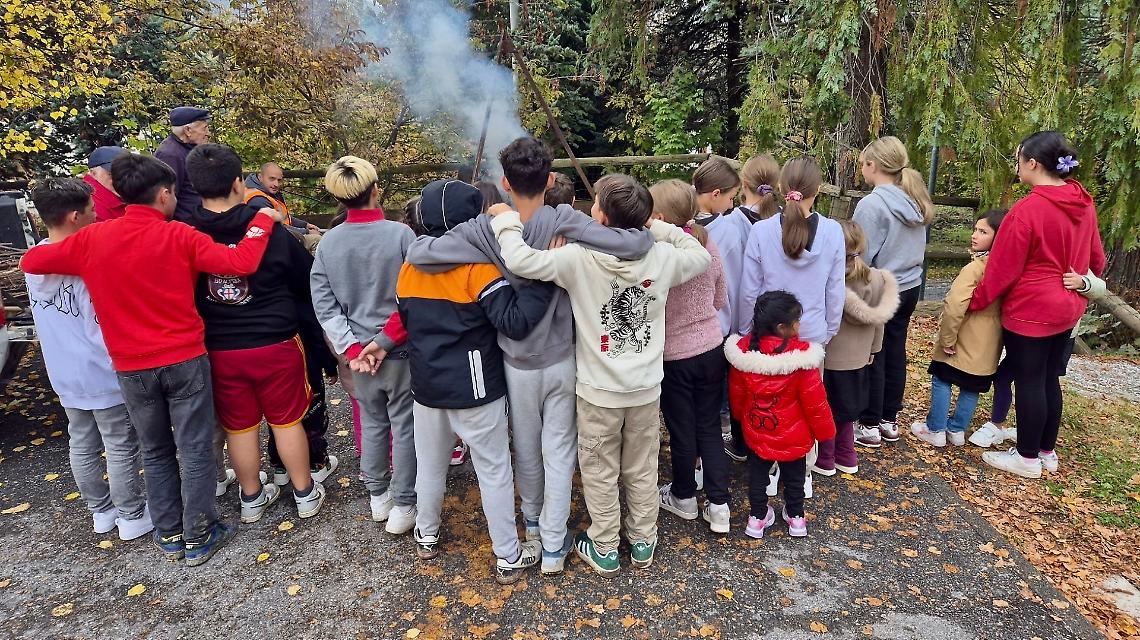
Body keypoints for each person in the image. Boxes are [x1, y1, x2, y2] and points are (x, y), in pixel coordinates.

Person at [402, 137, 654, 574]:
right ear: (551, 179)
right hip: (562, 359)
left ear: (503, 182)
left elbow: (419, 251)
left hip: (515, 363)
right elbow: (632, 244)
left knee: (527, 451)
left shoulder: (483, 229)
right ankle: (554, 548)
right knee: (560, 451)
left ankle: (534, 529)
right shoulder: (564, 219)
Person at [21, 153, 283, 566]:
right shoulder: (179, 235)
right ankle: (200, 533)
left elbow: (31, 260)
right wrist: (263, 219)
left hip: (130, 366)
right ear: (163, 194)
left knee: (155, 449)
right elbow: (240, 262)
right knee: (194, 448)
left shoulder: (93, 239)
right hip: (184, 359)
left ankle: (169, 532)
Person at [490, 173, 711, 577]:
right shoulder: (660, 257)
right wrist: (655, 226)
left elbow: (520, 260)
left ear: (603, 218)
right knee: (642, 466)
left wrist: (505, 220)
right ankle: (643, 539)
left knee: (599, 468)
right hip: (645, 388)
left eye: (594, 206)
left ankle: (605, 544)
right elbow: (700, 255)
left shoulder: (578, 258)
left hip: (598, 391)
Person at [393, 178, 556, 585]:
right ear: (476, 219)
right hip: (475, 387)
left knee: (430, 466)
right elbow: (514, 323)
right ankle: (507, 554)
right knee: (494, 470)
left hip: (426, 387)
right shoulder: (477, 268)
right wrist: (542, 275)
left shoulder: (408, 267)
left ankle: (425, 532)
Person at [184, 143, 329, 521]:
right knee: (287, 419)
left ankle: (251, 498)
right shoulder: (268, 231)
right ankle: (304, 492)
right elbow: (304, 278)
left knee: (239, 426)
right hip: (276, 341)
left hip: (219, 348)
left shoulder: (185, 236)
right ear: (238, 182)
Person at [969, 131, 1106, 479]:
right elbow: (1097, 259)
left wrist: (978, 299)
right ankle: (1046, 451)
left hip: (1032, 310)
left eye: (1018, 160)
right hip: (1068, 306)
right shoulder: (1083, 202)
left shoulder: (1028, 210)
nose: (1016, 167)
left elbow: (1003, 268)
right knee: (1048, 379)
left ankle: (1026, 457)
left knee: (1027, 380)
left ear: (1032, 163)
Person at [25, 178, 153, 540]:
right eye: (93, 212)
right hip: (99, 369)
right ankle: (130, 514)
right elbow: (98, 324)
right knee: (118, 442)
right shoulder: (84, 262)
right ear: (75, 216)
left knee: (81, 440)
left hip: (63, 369)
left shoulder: (35, 261)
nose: (98, 217)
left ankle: (100, 510)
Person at [310, 156, 419, 533]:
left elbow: (323, 303)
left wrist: (353, 351)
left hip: (358, 355)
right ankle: (405, 504)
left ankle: (378, 497)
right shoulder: (402, 235)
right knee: (404, 426)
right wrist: (384, 343)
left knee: (373, 423)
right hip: (399, 348)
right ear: (376, 190)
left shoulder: (329, 244)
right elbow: (414, 296)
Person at [649, 179, 731, 533]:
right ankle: (720, 506)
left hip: (675, 356)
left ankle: (684, 495)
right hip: (711, 348)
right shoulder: (707, 244)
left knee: (682, 429)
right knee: (710, 426)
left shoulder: (658, 253)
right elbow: (720, 299)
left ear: (660, 216)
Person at [725, 291, 835, 539]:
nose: (800, 325)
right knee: (795, 478)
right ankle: (796, 518)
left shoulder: (744, 356)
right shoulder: (802, 359)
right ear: (782, 327)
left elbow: (737, 392)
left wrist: (742, 418)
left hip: (757, 430)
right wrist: (825, 432)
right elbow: (815, 401)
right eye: (797, 321)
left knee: (757, 476)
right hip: (794, 435)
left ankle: (757, 518)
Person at [852, 136, 935, 448]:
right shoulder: (914, 200)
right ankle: (888, 419)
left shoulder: (872, 205)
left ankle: (870, 423)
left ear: (873, 166)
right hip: (909, 285)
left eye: (863, 164)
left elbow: (861, 253)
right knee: (895, 348)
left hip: (882, 285)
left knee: (874, 351)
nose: (861, 170)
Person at [971, 268, 1108, 448]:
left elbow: (1099, 286)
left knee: (1040, 382)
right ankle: (1018, 432)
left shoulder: (1072, 258)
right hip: (1032, 332)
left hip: (1056, 336)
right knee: (1008, 378)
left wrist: (1082, 282)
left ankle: (1033, 441)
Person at [910, 209, 1007, 448]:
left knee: (942, 378)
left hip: (964, 335)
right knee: (971, 386)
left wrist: (947, 338)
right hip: (990, 342)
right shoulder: (1008, 269)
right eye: (975, 229)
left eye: (983, 231)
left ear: (999, 237)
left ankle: (936, 428)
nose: (974, 235)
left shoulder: (975, 269)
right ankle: (957, 429)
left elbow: (955, 305)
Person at [816, 220, 898, 474]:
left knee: (828, 410)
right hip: (861, 357)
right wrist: (874, 349)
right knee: (848, 411)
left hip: (833, 358)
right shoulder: (877, 279)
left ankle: (826, 458)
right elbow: (879, 321)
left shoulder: (832, 279)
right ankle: (847, 455)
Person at [718, 153, 780, 460]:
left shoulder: (729, 226)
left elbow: (728, 279)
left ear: (743, 184)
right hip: (777, 320)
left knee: (741, 386)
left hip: (741, 321)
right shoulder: (785, 220)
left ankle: (742, 442)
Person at [691, 157, 751, 462]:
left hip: (684, 333)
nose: (731, 204)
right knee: (713, 401)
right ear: (715, 194)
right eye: (730, 197)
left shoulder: (679, 223)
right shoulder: (727, 230)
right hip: (719, 326)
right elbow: (736, 280)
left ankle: (696, 461)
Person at [245, 162, 322, 252]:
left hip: (281, 236)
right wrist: (306, 232)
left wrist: (305, 225)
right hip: (272, 243)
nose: (276, 184)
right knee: (317, 240)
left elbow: (284, 217)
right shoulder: (257, 199)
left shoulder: (267, 192)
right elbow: (278, 227)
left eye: (279, 180)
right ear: (260, 177)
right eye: (272, 179)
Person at [153, 107, 211, 222]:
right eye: (204, 128)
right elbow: (165, 198)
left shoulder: (187, 149)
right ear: (188, 130)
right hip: (184, 228)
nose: (208, 133)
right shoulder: (170, 155)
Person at [83, 146, 128, 222]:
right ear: (93, 173)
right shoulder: (86, 204)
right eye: (112, 174)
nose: (121, 178)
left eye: (126, 173)